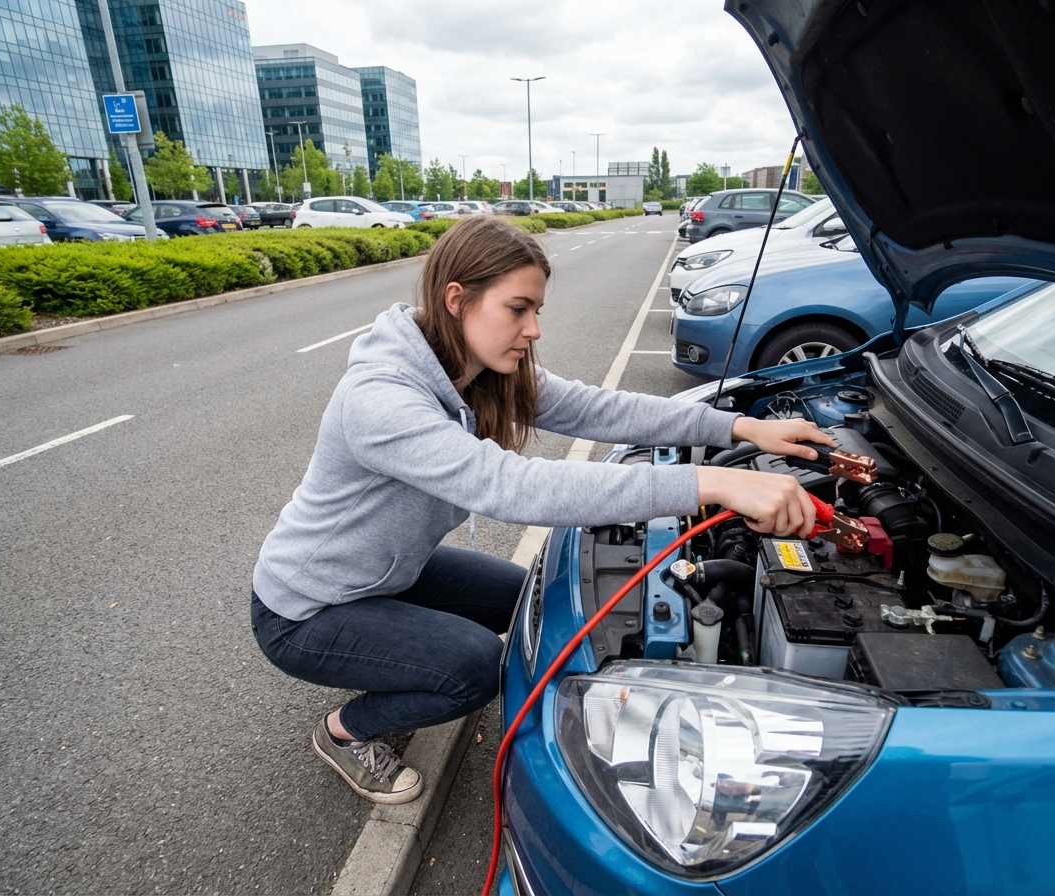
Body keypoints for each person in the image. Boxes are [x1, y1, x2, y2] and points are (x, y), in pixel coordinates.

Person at [251, 216, 831, 803]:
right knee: (476, 667)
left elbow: (601, 410)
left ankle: (399, 657)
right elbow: (517, 488)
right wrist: (713, 484)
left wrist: (740, 425)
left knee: (529, 601)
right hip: (308, 608)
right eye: (518, 309)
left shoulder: (476, 371)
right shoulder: (381, 400)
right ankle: (344, 733)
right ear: (458, 299)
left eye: (537, 312)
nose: (532, 329)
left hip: (389, 573)